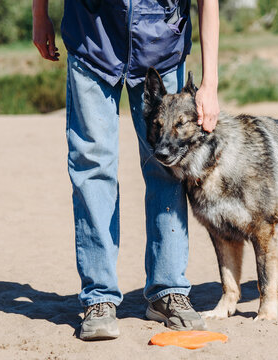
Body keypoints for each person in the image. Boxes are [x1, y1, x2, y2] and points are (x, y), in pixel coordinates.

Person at [32, 0, 219, 340]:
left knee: (168, 169)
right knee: (92, 166)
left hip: (162, 43)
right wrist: (40, 15)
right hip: (93, 39)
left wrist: (210, 82)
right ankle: (99, 297)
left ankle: (168, 291)